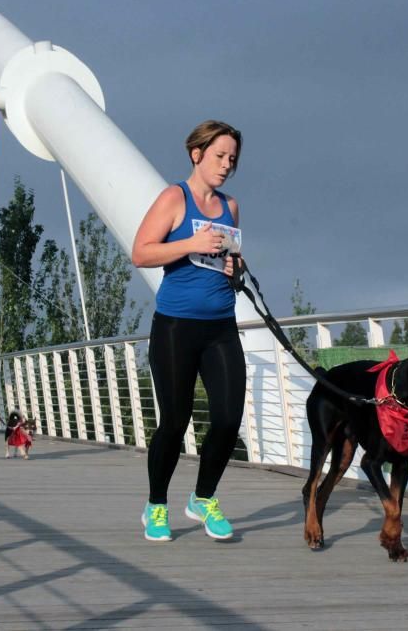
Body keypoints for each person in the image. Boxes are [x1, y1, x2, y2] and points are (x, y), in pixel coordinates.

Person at [131, 120, 246, 542]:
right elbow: (141, 252)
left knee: (229, 417)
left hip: (221, 327)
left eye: (232, 159)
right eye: (219, 156)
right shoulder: (173, 198)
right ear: (196, 154)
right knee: (176, 420)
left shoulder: (231, 207)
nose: (226, 165)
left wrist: (235, 268)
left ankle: (203, 498)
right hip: (177, 327)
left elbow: (233, 264)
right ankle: (156, 506)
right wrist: (189, 245)